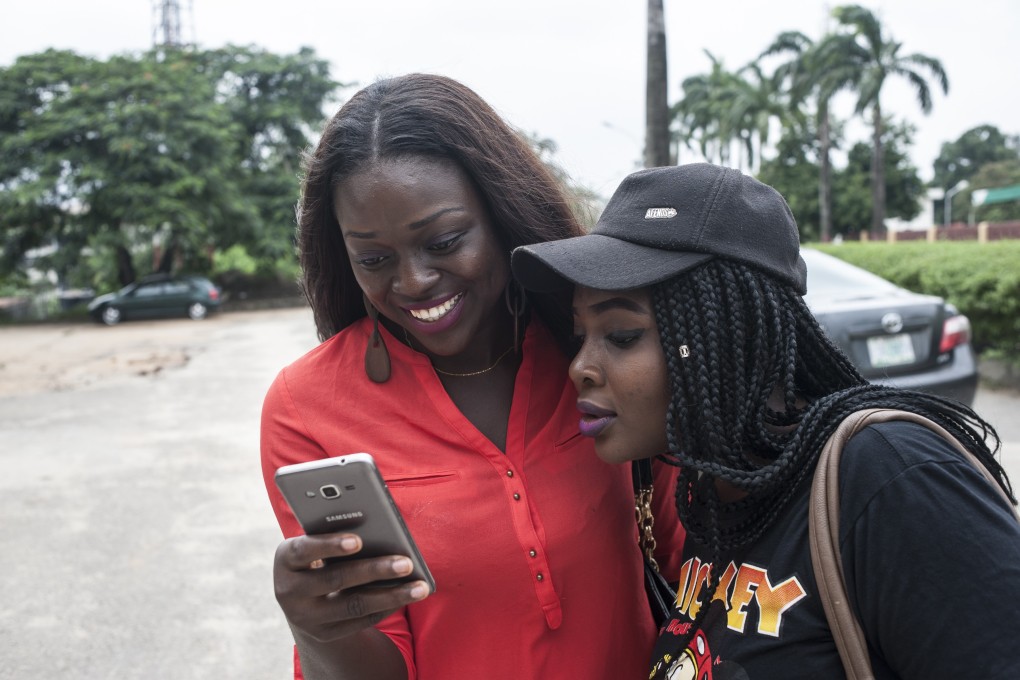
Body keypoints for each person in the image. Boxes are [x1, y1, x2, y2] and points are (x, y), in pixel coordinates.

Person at [511, 162, 1020, 678]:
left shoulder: (887, 478)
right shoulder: (717, 488)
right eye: (581, 336)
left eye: (621, 336)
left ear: (729, 339)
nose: (581, 367)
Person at [259, 73, 685, 680]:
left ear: (502, 214)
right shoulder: (305, 408)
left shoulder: (597, 351)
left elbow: (691, 569)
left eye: (444, 241)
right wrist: (320, 630)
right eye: (374, 260)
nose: (412, 282)